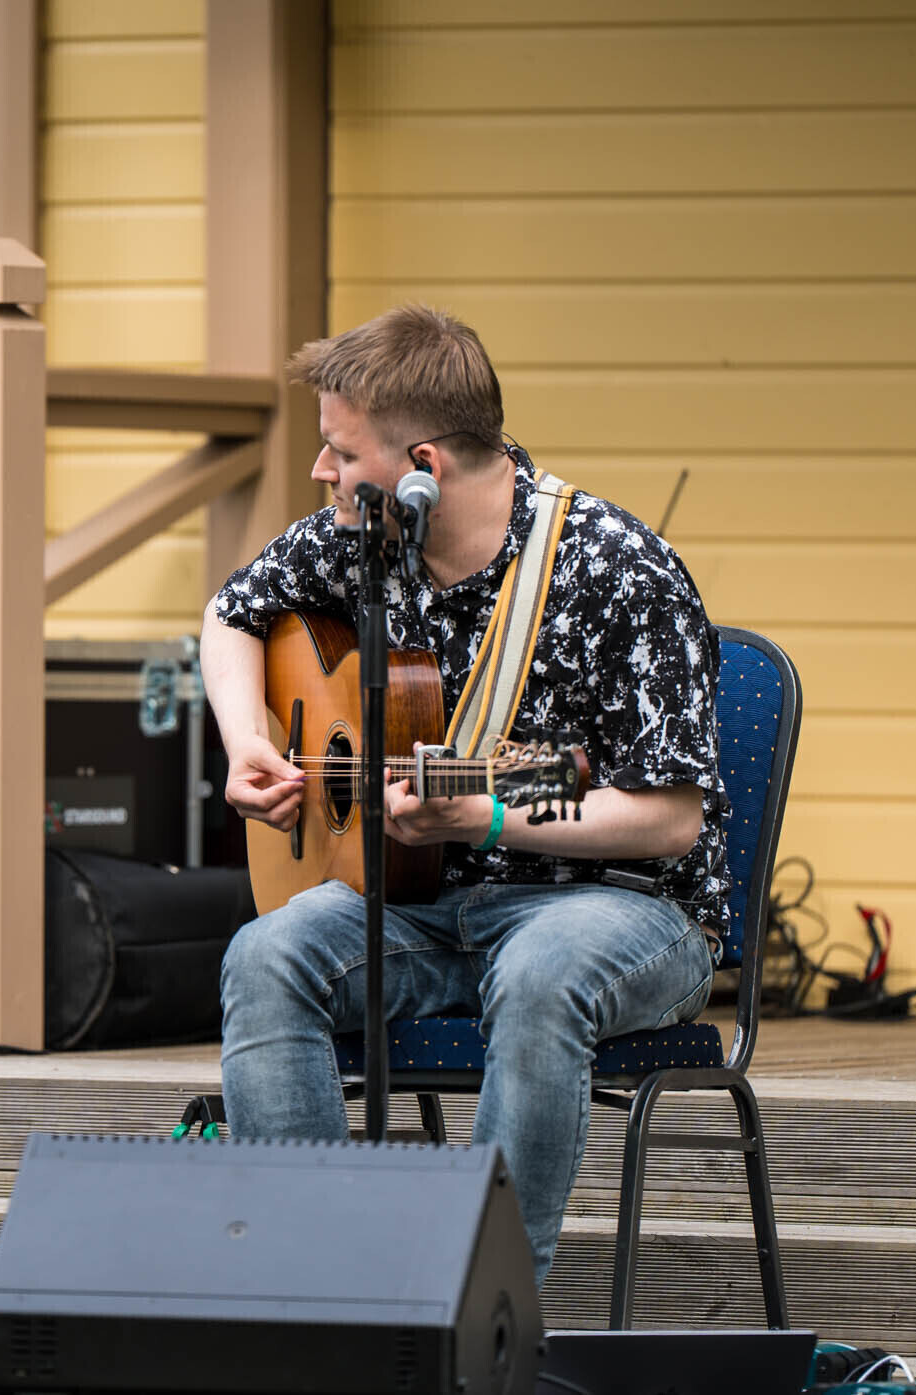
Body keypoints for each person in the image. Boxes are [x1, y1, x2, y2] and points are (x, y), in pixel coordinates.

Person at [202, 304, 726, 1284]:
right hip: (425, 903)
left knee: (540, 972)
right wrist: (246, 743)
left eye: (338, 452)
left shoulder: (616, 571)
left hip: (620, 911)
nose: (318, 471)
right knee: (266, 954)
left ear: (423, 468)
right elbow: (232, 613)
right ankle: (312, 1294)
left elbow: (667, 817)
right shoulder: (360, 540)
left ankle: (481, 1307)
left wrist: (481, 812)